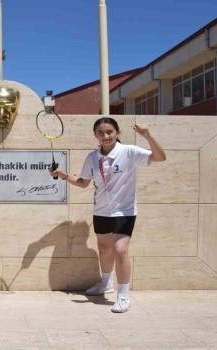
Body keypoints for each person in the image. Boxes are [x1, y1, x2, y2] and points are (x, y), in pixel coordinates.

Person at [50, 117, 166, 313]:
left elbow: (160, 157)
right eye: (101, 133)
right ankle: (106, 283)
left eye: (110, 132)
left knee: (120, 250)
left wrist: (147, 135)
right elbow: (83, 182)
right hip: (101, 210)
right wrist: (62, 175)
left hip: (125, 211)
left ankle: (123, 295)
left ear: (117, 133)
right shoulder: (92, 158)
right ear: (95, 135)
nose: (106, 136)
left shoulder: (129, 152)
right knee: (104, 249)